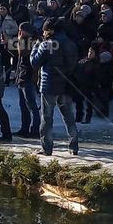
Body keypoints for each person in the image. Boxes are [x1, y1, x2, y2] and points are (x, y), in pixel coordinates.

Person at [30, 18, 79, 156]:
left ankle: (47, 148)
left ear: (51, 30)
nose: (44, 33)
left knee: (47, 119)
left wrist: (35, 46)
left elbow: (35, 62)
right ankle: (73, 147)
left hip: (49, 86)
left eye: (45, 30)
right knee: (69, 118)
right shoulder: (70, 43)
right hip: (66, 85)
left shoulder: (47, 44)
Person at [13, 25, 40, 138]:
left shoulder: (32, 42)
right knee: (23, 106)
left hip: (28, 77)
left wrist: (19, 41)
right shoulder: (25, 41)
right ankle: (24, 128)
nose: (19, 32)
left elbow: (23, 54)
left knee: (31, 105)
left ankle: (35, 129)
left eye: (21, 30)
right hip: (22, 76)